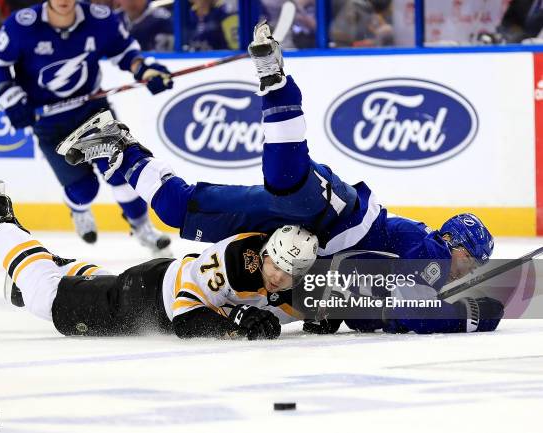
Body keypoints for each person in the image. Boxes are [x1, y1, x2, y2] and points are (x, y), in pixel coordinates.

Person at [58, 22, 504, 335]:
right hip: (336, 217)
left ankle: (120, 149)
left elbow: (368, 306)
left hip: (290, 236)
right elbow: (412, 310)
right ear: (453, 244)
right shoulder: (431, 254)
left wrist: (331, 312)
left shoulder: (422, 265)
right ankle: (276, 84)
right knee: (288, 182)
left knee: (183, 211)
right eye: (470, 260)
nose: (467, 271)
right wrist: (473, 315)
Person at [0, 181, 318, 339]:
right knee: (45, 300)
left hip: (154, 280)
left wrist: (318, 313)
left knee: (103, 285)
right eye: (276, 267)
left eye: (291, 274)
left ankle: (55, 262)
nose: (280, 278)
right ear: (265, 254)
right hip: (149, 297)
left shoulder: (267, 264)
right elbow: (186, 320)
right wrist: (234, 323)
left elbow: (285, 303)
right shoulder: (238, 266)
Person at [0, 0, 172, 254]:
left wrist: (145, 70)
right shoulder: (22, 24)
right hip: (50, 124)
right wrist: (9, 95)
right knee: (84, 190)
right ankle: (79, 208)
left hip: (93, 114)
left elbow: (125, 53)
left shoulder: (100, 19)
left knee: (119, 169)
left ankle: (141, 226)